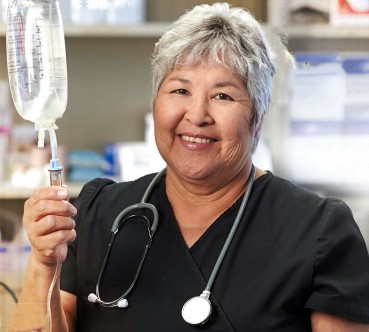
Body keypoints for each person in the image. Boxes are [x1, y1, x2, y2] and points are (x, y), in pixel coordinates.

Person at [10, 3, 369, 332]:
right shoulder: (95, 214)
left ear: (257, 119)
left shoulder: (318, 230)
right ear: (156, 103)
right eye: (180, 91)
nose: (196, 116)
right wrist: (43, 264)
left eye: (223, 96)